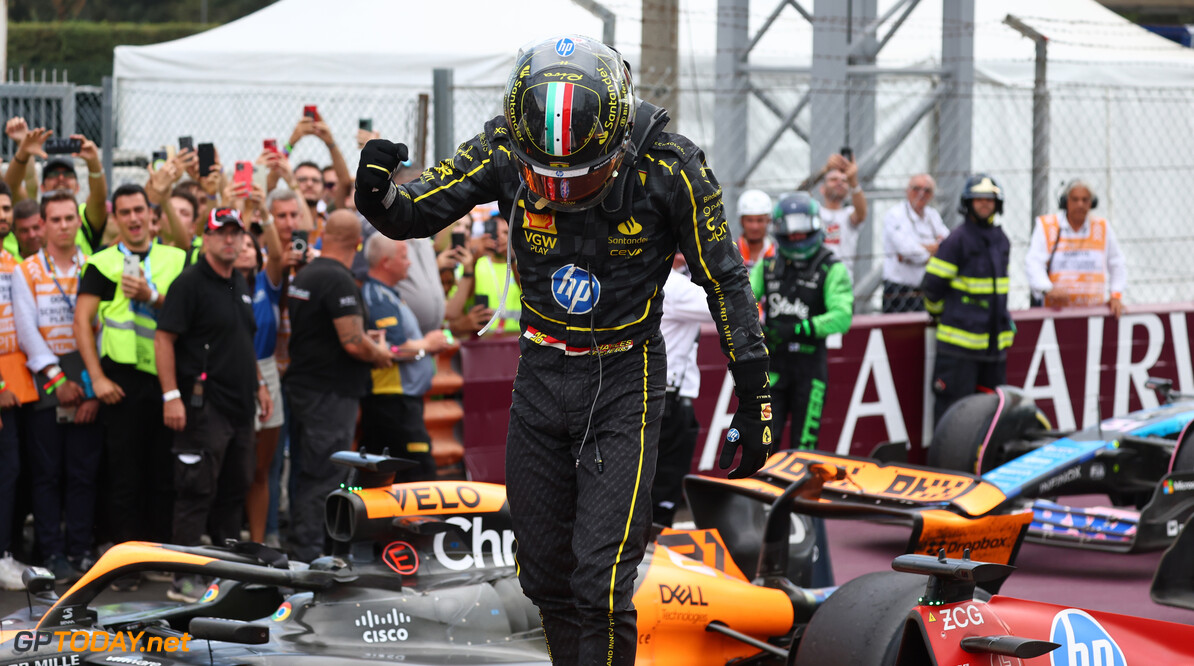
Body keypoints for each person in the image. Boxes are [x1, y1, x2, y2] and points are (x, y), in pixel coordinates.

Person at [354, 36, 771, 665]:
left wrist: (755, 391)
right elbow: (411, 210)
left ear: (617, 145)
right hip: (540, 372)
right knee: (543, 575)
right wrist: (375, 193)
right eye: (539, 174)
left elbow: (726, 279)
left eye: (577, 176)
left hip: (626, 376)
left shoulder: (672, 165)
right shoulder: (504, 144)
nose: (557, 188)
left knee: (600, 585)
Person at [156, 208, 272, 602]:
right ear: (205, 237)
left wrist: (260, 386)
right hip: (203, 407)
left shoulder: (238, 281)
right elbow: (164, 339)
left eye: (235, 233)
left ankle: (223, 573)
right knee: (195, 491)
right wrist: (171, 395)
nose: (230, 239)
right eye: (221, 232)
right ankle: (183, 579)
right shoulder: (188, 283)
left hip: (240, 407)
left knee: (233, 490)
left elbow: (242, 340)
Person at [74, 184, 187, 580]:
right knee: (124, 474)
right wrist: (98, 378)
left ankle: (156, 556)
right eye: (125, 213)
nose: (134, 219)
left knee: (162, 471)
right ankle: (125, 564)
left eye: (140, 210)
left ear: (151, 214)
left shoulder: (175, 258)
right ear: (116, 218)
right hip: (120, 380)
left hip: (165, 378)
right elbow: (82, 324)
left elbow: (185, 310)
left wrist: (152, 296)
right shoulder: (102, 263)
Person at [284, 210, 393, 562]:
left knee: (305, 472)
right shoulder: (338, 279)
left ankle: (302, 549)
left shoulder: (306, 274)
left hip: (303, 388)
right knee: (324, 476)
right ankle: (312, 559)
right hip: (328, 396)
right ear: (358, 243)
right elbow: (352, 342)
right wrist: (378, 352)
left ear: (323, 233)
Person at [13, 190, 102, 583]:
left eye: (71, 218)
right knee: (47, 473)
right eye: (57, 219)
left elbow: (100, 330)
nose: (64, 226)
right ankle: (51, 552)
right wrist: (58, 380)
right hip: (47, 383)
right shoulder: (27, 269)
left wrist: (91, 386)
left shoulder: (94, 266)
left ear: (78, 223)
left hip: (88, 380)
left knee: (83, 471)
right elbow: (26, 331)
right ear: (43, 224)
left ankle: (81, 549)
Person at [753, 192, 853, 451]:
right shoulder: (767, 265)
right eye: (790, 233)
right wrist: (757, 325)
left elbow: (842, 317)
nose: (796, 237)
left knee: (805, 445)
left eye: (801, 232)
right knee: (763, 442)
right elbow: (744, 298)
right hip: (773, 365)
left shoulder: (832, 267)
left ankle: (799, 491)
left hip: (810, 368)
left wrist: (801, 329)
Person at [924, 174, 1014, 424]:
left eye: (989, 200)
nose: (984, 205)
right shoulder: (957, 240)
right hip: (959, 350)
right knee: (952, 414)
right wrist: (945, 315)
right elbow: (933, 287)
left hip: (993, 348)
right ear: (968, 203)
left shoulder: (1001, 240)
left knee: (991, 415)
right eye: (978, 200)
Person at [359, 235, 451, 480]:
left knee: (391, 474)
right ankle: (421, 519)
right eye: (403, 256)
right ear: (386, 262)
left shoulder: (387, 294)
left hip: (400, 401)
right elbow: (395, 349)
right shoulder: (379, 298)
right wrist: (428, 344)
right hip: (393, 403)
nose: (409, 263)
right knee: (420, 473)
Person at [651, 252, 711, 527]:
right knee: (663, 489)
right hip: (664, 399)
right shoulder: (674, 285)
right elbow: (730, 301)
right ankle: (652, 554)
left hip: (640, 391)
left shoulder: (633, 276)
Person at [3, 118, 108, 256]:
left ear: (77, 187)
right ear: (42, 187)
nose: (61, 178)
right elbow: (11, 189)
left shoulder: (85, 216)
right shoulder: (31, 214)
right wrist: (23, 150)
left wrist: (93, 161)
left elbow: (99, 198)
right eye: (52, 174)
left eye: (68, 174)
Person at [0, 181, 35, 590]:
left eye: (7, 207)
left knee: (12, 471)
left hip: (18, 384)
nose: (4, 215)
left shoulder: (11, 262)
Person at [1025, 179, 1127, 318]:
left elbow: (1117, 263)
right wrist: (1047, 289)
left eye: (1085, 200)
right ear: (1066, 201)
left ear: (1092, 203)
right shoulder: (1048, 226)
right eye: (1075, 199)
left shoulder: (1102, 227)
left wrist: (1116, 294)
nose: (1080, 204)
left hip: (1094, 312)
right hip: (1055, 313)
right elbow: (1034, 262)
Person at [881, 173, 947, 313]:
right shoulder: (895, 215)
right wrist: (934, 251)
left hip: (924, 288)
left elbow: (947, 244)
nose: (921, 194)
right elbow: (907, 250)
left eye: (927, 190)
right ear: (907, 191)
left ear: (932, 195)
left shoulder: (932, 215)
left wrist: (919, 250)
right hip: (898, 288)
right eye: (916, 188)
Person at [818, 153, 868, 280]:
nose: (839, 182)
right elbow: (796, 196)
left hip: (842, 280)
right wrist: (824, 170)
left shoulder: (848, 214)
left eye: (844, 181)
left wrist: (853, 181)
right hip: (816, 278)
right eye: (833, 180)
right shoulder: (815, 211)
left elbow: (861, 214)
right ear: (822, 189)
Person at [735, 189, 774, 269]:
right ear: (741, 221)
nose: (755, 226)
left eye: (760, 220)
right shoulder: (731, 252)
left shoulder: (777, 253)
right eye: (750, 220)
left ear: (768, 220)